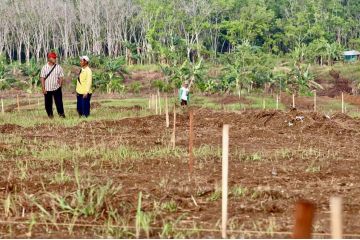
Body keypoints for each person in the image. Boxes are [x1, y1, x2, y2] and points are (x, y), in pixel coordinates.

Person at [40, 52, 65, 118]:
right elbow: (42, 78)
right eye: (53, 58)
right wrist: (43, 88)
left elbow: (61, 76)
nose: (55, 59)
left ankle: (61, 115)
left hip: (57, 88)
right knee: (48, 104)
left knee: (59, 103)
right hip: (47, 89)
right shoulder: (44, 67)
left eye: (55, 58)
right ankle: (50, 116)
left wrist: (60, 84)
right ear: (49, 58)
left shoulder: (58, 67)